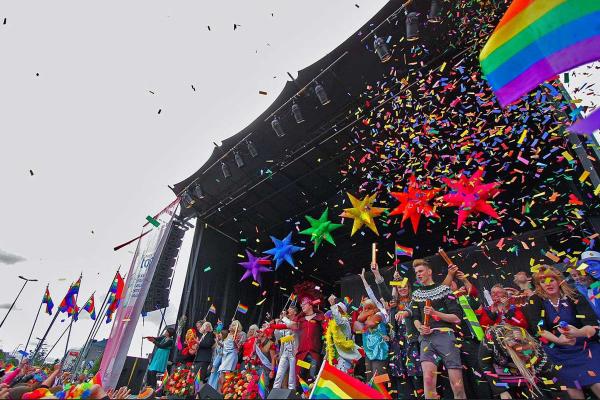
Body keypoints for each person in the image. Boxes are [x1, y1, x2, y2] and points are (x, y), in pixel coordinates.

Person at [526, 265, 600, 399]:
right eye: (543, 282)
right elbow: (539, 330)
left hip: (585, 348)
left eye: (551, 279)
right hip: (557, 353)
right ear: (538, 285)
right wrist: (559, 340)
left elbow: (593, 327)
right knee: (574, 393)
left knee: (597, 384)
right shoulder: (535, 300)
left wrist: (577, 333)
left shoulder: (574, 295)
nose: (548, 284)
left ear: (559, 280)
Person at [407, 259, 466, 399]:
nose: (418, 275)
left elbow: (457, 318)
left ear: (429, 271)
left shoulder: (445, 289)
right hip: (426, 339)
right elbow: (415, 317)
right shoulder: (416, 294)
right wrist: (420, 328)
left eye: (420, 271)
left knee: (457, 384)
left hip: (445, 336)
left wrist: (435, 313)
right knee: (427, 379)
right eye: (416, 273)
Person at [443, 264, 492, 399]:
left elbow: (476, 300)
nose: (450, 285)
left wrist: (464, 280)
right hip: (453, 345)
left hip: (472, 341)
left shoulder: (463, 298)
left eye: (452, 282)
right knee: (463, 379)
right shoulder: (442, 304)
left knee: (479, 373)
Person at [479, 324, 563, 398]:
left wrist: (560, 390)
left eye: (528, 352)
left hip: (519, 368)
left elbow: (549, 372)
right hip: (498, 369)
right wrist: (501, 390)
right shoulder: (490, 341)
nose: (527, 356)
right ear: (510, 348)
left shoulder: (534, 349)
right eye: (522, 353)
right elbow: (485, 364)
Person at [388, 272, 422, 399]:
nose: (402, 289)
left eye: (405, 286)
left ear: (409, 288)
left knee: (415, 372)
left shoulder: (415, 300)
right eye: (399, 287)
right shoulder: (394, 305)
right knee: (402, 374)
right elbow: (390, 296)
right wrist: (394, 280)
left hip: (412, 340)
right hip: (398, 342)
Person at [325, 294, 362, 373]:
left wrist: (333, 305)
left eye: (337, 309)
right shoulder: (332, 324)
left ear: (341, 311)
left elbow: (338, 319)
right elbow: (330, 342)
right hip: (334, 356)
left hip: (344, 357)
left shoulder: (344, 321)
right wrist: (327, 355)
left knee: (342, 379)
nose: (334, 312)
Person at [291, 297, 324, 381]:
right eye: (301, 305)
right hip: (302, 354)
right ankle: (302, 394)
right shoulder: (300, 320)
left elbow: (326, 333)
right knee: (301, 378)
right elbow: (290, 326)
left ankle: (311, 394)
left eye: (304, 304)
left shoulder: (319, 318)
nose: (301, 306)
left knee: (313, 377)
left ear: (310, 305)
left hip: (314, 354)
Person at [271, 306, 299, 391]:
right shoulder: (285, 323)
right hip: (284, 352)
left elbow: (292, 327)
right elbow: (278, 337)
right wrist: (278, 324)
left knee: (292, 375)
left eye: (290, 309)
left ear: (295, 312)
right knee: (279, 373)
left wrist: (284, 318)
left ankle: (291, 392)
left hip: (293, 352)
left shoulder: (296, 321)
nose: (288, 310)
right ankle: (275, 390)